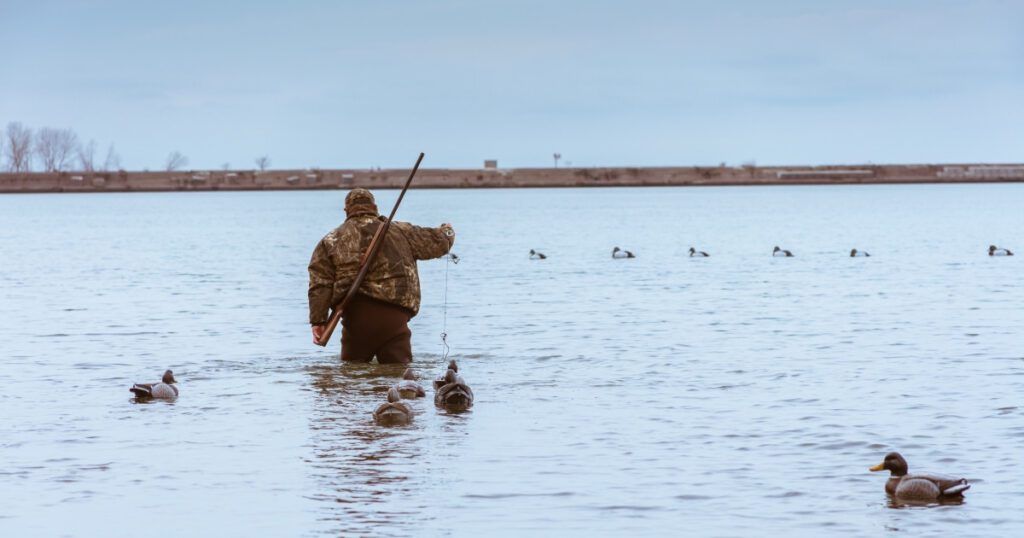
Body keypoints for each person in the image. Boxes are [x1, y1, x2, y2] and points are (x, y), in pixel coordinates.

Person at [308, 188, 454, 363]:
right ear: (374, 207)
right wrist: (447, 229)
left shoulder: (330, 240)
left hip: (355, 320)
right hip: (395, 319)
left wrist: (318, 321)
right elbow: (439, 242)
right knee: (401, 380)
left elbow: (320, 284)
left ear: (346, 210)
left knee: (351, 379)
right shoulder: (401, 231)